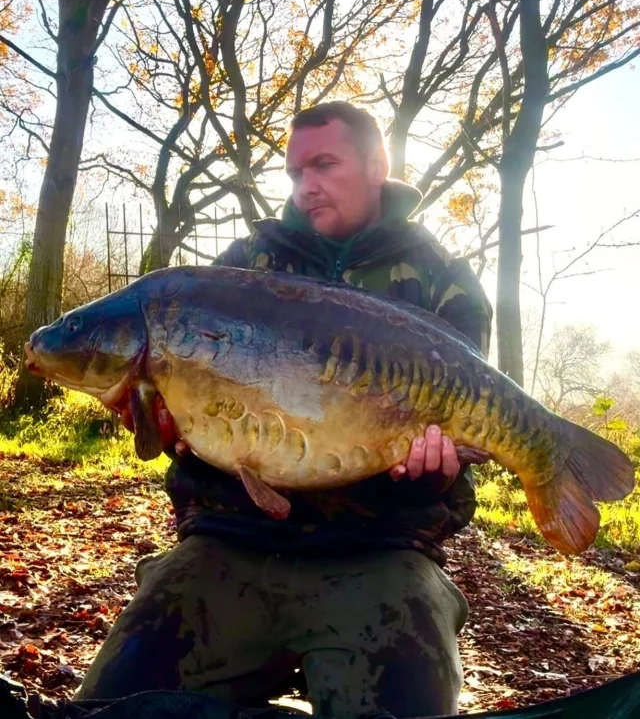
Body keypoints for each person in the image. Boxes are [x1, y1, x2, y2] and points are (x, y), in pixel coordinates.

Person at [76, 102, 493, 718]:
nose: (306, 186)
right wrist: (166, 426)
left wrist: (439, 467)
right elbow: (187, 422)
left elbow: (459, 432)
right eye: (296, 172)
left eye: (324, 164)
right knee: (115, 704)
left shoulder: (444, 283)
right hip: (231, 537)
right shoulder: (243, 268)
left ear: (378, 165)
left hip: (380, 549)